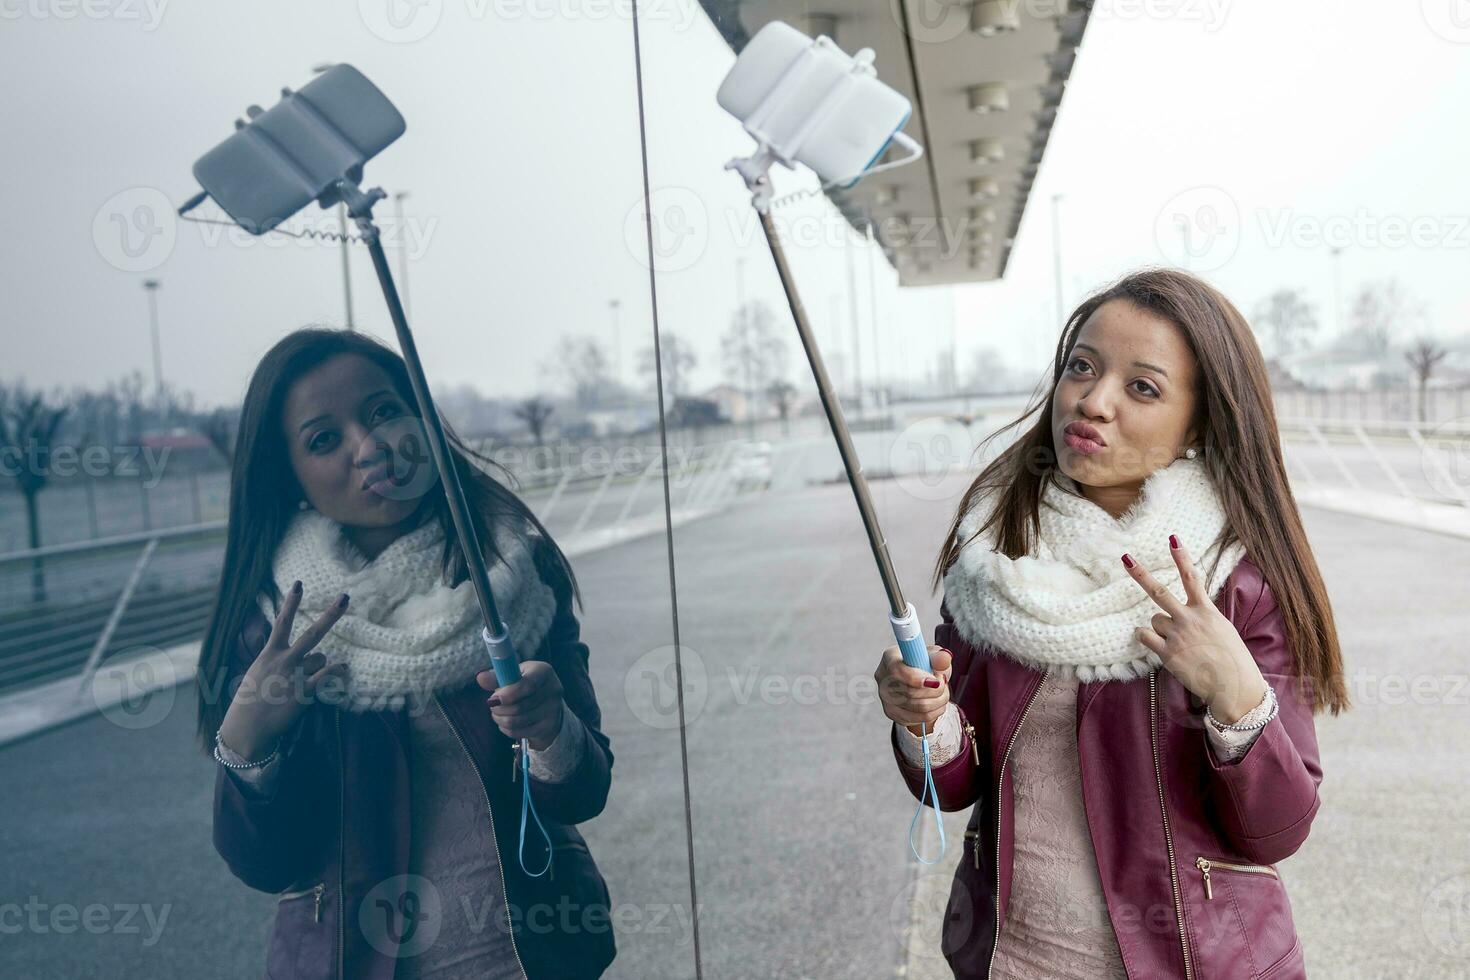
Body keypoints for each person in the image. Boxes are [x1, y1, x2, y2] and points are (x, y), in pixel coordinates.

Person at [875, 268, 1347, 979]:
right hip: (1015, 961)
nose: (1092, 402)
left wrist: (1236, 694)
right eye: (1081, 369)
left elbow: (1277, 828)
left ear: (1201, 421)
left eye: (1142, 387)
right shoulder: (995, 565)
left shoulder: (1236, 581)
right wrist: (924, 718)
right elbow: (955, 783)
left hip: (1194, 964)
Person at [196, 327, 615, 979]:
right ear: (291, 474)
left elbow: (582, 793)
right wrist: (248, 744)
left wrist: (551, 733)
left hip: (534, 957)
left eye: (385, 411)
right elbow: (266, 864)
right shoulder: (276, 623)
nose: (371, 448)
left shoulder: (517, 576)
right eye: (324, 439)